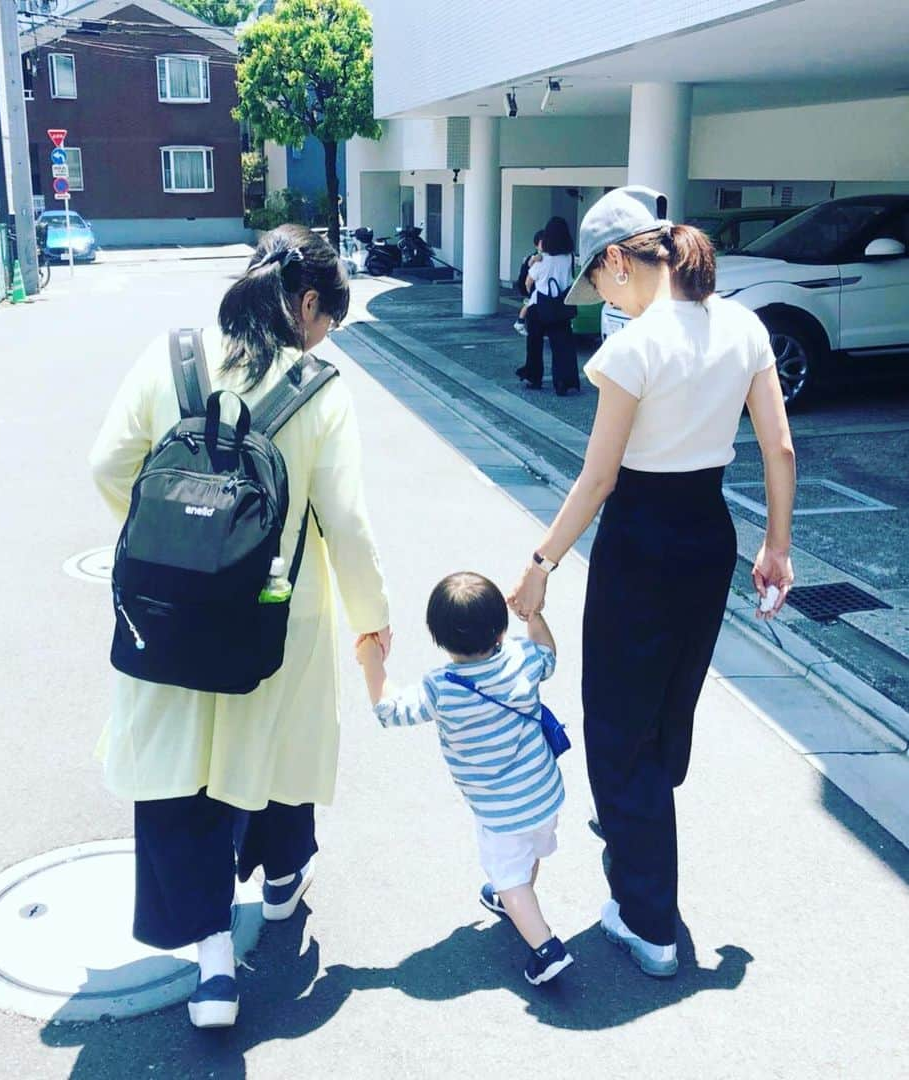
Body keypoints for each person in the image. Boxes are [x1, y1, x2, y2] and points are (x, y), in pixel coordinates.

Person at [88, 224, 391, 1029]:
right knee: (273, 750)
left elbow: (108, 465)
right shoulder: (322, 388)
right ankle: (285, 886)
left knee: (180, 774)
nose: (327, 338)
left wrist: (181, 544)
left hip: (169, 613)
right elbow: (347, 523)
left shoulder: (173, 356)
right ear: (310, 302)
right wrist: (374, 622)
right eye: (330, 323)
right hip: (277, 612)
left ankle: (214, 971)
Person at [508, 186, 796, 979]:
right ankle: (641, 839)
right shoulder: (743, 325)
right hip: (710, 535)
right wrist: (778, 547)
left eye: (597, 283)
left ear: (615, 261)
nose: (599, 297)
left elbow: (598, 480)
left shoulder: (636, 345)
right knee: (668, 707)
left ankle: (648, 923)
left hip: (640, 541)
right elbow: (779, 449)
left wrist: (539, 566)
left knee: (617, 726)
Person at [354, 572, 572, 987]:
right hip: (544, 795)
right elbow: (549, 653)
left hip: (500, 812)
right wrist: (535, 615)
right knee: (524, 861)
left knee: (507, 875)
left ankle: (547, 950)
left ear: (439, 639)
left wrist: (372, 661)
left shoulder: (442, 688)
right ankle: (516, 902)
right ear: (501, 628)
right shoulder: (522, 657)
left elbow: (390, 710)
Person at [516, 216, 581, 395]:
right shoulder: (569, 258)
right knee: (562, 346)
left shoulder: (541, 260)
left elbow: (528, 283)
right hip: (561, 307)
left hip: (539, 306)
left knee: (534, 344)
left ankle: (534, 378)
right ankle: (563, 382)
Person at [512, 230, 543, 337]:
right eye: (542, 244)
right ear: (536, 245)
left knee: (529, 305)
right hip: (530, 286)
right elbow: (529, 273)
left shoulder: (539, 256)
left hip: (531, 286)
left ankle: (520, 322)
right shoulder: (536, 257)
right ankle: (520, 322)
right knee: (529, 304)